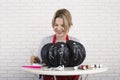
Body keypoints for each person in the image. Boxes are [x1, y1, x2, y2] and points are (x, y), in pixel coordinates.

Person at [31, 8, 83, 80]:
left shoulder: (75, 43)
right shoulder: (46, 41)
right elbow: (41, 63)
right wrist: (36, 61)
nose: (58, 28)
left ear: (69, 25)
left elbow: (78, 66)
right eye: (56, 25)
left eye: (62, 25)